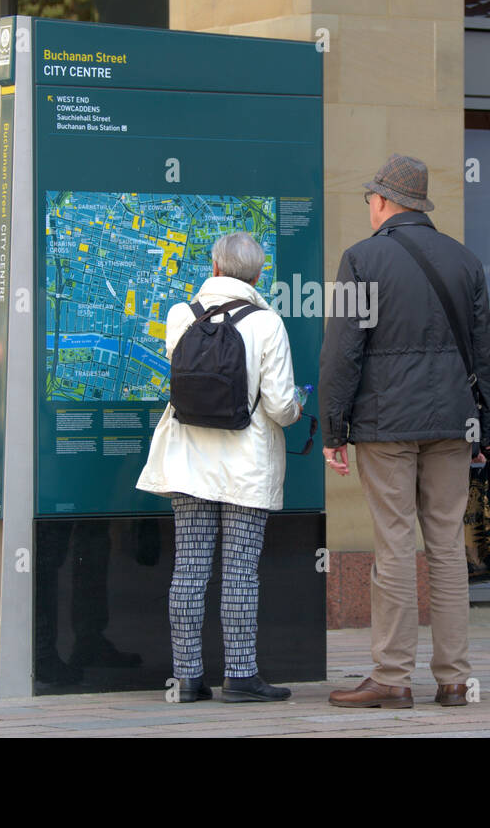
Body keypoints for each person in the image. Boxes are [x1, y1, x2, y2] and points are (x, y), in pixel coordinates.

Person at [320, 153, 490, 709]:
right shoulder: (465, 261)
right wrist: (485, 427)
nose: (369, 208)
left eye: (370, 199)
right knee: (446, 545)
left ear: (382, 203)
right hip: (453, 423)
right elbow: (486, 353)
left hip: (385, 424)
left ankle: (392, 678)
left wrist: (333, 427)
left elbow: (341, 352)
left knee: (394, 543)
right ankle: (453, 679)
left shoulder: (361, 259)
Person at [136, 231, 302, 703]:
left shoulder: (179, 316)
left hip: (188, 463)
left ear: (213, 268)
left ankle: (188, 678)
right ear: (257, 275)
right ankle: (240, 676)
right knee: (240, 571)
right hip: (246, 469)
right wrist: (297, 407)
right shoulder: (267, 324)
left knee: (189, 566)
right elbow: (279, 405)